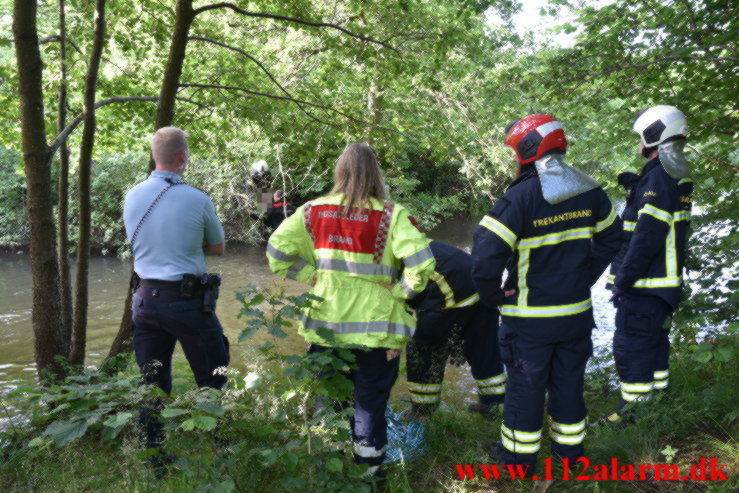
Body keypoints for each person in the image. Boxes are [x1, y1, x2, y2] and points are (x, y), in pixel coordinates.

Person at [266, 142, 435, 477]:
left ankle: (329, 470)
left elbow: (276, 252)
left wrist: (310, 275)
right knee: (369, 405)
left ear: (339, 171)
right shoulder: (390, 215)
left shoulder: (312, 212)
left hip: (325, 328)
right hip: (377, 332)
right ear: (376, 174)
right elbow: (423, 263)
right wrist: (401, 292)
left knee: (329, 400)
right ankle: (369, 474)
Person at [472, 114, 622, 475]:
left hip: (529, 321)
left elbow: (483, 258)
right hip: (575, 315)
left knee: (525, 390)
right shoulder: (591, 192)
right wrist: (583, 275)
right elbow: (613, 237)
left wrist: (494, 298)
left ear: (526, 151)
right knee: (569, 386)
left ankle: (518, 463)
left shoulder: (518, 199)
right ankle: (571, 461)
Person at [123, 127, 230, 452]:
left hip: (143, 302)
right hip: (186, 303)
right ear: (182, 157)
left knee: (152, 382)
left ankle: (153, 452)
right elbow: (218, 248)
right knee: (215, 371)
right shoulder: (197, 198)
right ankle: (222, 448)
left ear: (155, 156)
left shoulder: (132, 195)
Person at [605, 105, 692, 423]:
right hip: (663, 286)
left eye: (640, 137)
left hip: (645, 285)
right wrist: (634, 187)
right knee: (654, 344)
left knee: (631, 346)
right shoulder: (673, 173)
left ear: (654, 134)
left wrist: (623, 281)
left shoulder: (658, 177)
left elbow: (646, 237)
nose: (637, 144)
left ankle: (632, 415)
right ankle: (658, 404)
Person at [405, 239, 506, 419]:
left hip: (453, 291)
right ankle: (495, 404)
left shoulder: (389, 258)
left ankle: (422, 412)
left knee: (423, 350)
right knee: (484, 348)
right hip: (480, 286)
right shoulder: (412, 240)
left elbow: (406, 297)